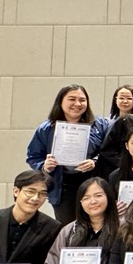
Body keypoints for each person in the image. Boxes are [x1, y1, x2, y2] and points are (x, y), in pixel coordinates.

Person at [26, 84, 107, 224]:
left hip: (93, 182)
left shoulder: (100, 125)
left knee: (96, 223)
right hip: (62, 186)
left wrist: (95, 161)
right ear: (61, 101)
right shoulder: (46, 129)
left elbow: (110, 152)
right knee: (68, 227)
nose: (77, 104)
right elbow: (33, 156)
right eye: (72, 99)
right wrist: (45, 166)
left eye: (82, 100)